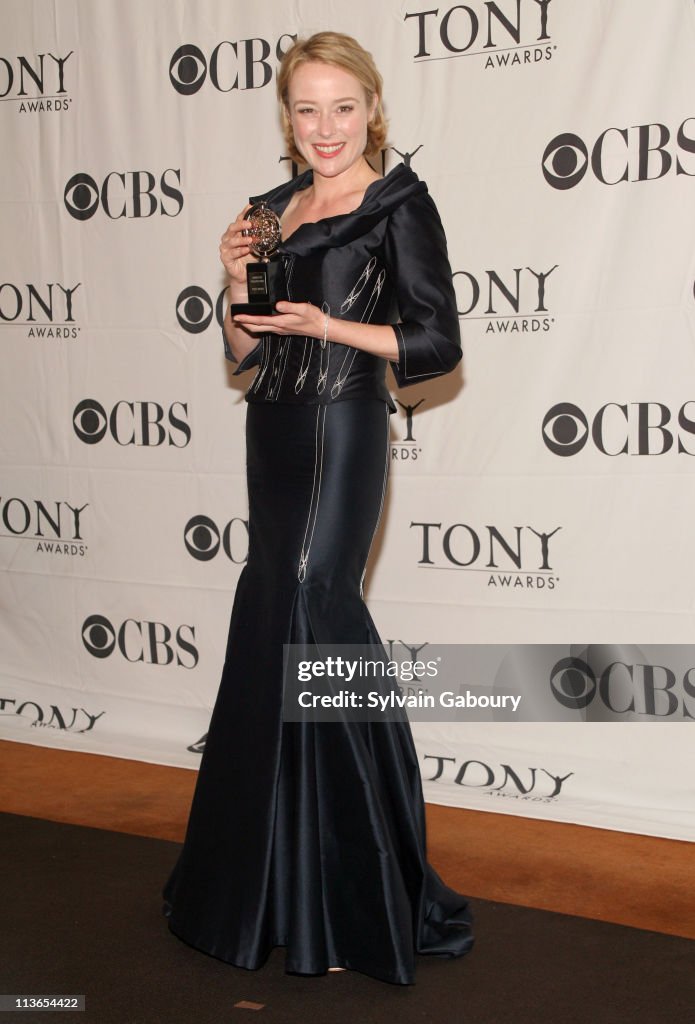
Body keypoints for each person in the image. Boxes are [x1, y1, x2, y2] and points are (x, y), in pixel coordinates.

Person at [162, 31, 473, 986]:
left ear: (371, 110)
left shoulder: (397, 204)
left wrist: (324, 323)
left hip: (343, 426)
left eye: (343, 107)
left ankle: (354, 887)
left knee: (314, 603)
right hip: (274, 432)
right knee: (273, 611)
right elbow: (245, 353)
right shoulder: (268, 211)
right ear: (286, 118)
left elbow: (435, 341)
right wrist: (230, 287)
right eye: (306, 108)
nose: (325, 127)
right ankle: (266, 883)